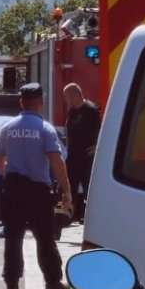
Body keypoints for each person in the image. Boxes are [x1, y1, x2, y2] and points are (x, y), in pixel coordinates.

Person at [0, 83, 73, 289]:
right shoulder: (45, 129)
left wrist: (9, 176)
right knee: (45, 239)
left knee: (13, 240)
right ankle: (52, 284)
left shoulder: (7, 128)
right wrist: (66, 191)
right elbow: (57, 162)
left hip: (13, 191)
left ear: (21, 102)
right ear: (40, 102)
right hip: (38, 192)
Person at [63, 83, 101, 222]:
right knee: (69, 186)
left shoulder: (91, 110)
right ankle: (67, 216)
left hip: (87, 157)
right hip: (73, 156)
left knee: (88, 188)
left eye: (67, 96)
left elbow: (99, 131)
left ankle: (91, 217)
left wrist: (95, 147)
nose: (66, 100)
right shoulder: (72, 111)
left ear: (75, 95)